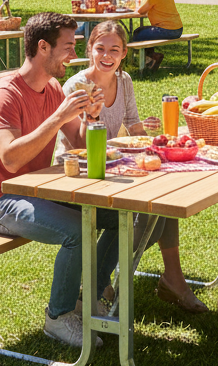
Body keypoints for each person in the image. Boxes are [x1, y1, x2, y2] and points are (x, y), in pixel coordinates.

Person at [0, 12, 120, 349]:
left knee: (120, 214)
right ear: (43, 47)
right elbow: (10, 158)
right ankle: (58, 316)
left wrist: (91, 116)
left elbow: (81, 143)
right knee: (78, 231)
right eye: (68, 47)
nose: (74, 55)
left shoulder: (53, 88)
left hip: (39, 190)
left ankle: (91, 297)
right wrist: (59, 116)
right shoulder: (4, 94)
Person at [60, 22, 207, 313]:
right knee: (145, 214)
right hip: (80, 173)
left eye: (114, 50)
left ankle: (163, 278)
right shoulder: (76, 86)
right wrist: (93, 116)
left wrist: (148, 129)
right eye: (100, 48)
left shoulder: (123, 80)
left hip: (115, 166)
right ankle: (97, 283)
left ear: (124, 52)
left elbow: (134, 125)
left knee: (164, 203)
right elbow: (80, 144)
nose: (106, 55)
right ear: (89, 49)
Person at [130, 0, 183, 72]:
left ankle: (150, 58)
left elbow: (140, 11)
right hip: (178, 29)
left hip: (167, 30)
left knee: (137, 35)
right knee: (141, 31)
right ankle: (151, 59)